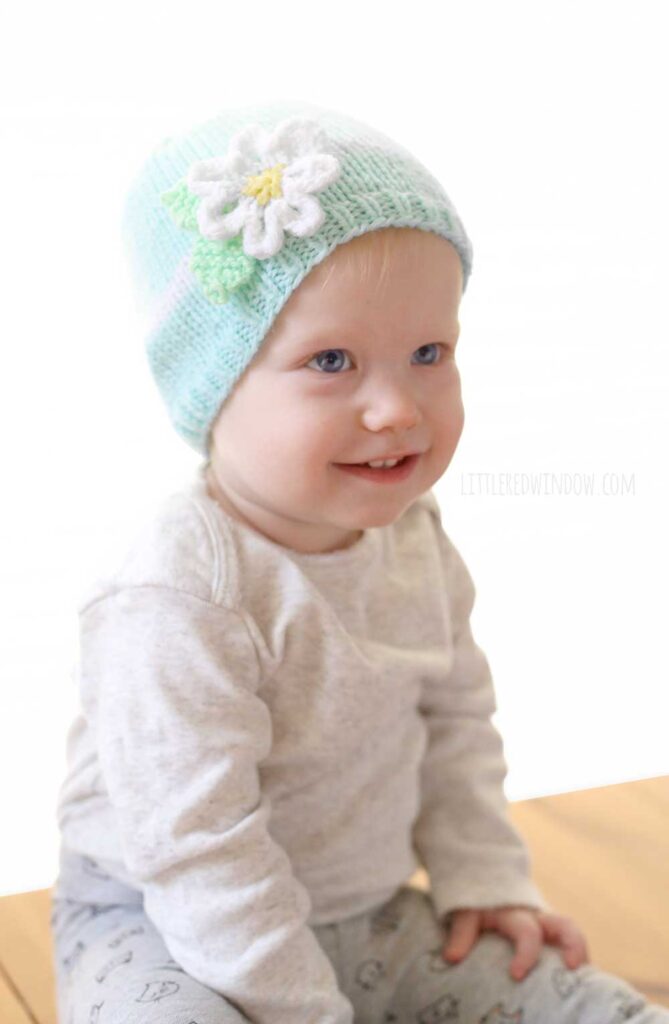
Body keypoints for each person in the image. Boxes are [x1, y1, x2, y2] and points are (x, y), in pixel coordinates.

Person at [50, 100, 667, 1024]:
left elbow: (456, 711)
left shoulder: (413, 535)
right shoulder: (175, 589)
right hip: (163, 927)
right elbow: (197, 845)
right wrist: (303, 1009)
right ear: (213, 387)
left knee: (587, 1004)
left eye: (428, 353)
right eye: (331, 359)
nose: (397, 409)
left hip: (371, 915)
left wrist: (482, 877)